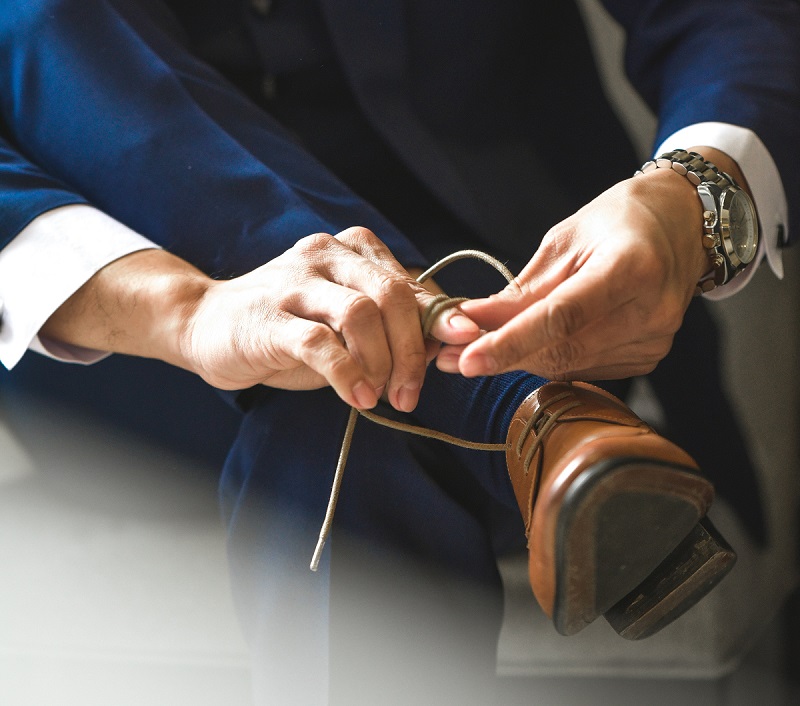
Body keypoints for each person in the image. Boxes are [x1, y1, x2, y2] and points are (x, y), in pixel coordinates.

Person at [0, 0, 796, 702]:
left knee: (336, 417)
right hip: (134, 342)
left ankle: (503, 399)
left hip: (512, 288)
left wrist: (693, 198)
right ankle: (531, 418)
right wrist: (185, 309)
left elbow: (731, 11)